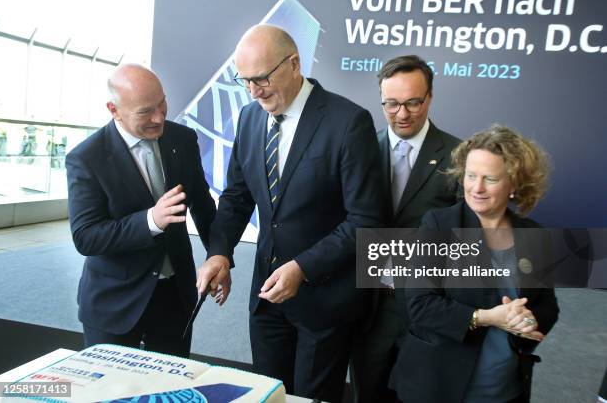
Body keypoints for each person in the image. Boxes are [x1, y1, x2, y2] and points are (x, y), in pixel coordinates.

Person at [196, 24, 384, 402]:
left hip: (325, 301)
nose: (254, 90)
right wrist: (219, 252)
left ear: (294, 64)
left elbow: (366, 221)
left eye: (262, 78)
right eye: (245, 80)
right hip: (266, 298)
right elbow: (236, 196)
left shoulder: (348, 122)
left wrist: (303, 268)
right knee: (267, 393)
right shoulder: (250, 118)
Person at [389, 124, 559, 402]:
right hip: (438, 387)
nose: (476, 188)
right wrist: (488, 317)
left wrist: (525, 319)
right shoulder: (439, 224)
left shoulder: (534, 235)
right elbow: (419, 304)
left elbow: (548, 306)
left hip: (505, 389)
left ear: (513, 183)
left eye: (490, 179)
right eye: (470, 176)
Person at [66, 63, 216, 357]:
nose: (159, 117)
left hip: (175, 297)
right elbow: (86, 237)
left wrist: (218, 256)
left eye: (162, 103)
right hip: (114, 304)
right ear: (114, 109)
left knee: (171, 391)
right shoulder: (86, 158)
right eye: (146, 111)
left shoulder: (182, 140)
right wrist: (151, 221)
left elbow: (201, 202)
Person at [350, 55, 460, 403]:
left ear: (429, 97)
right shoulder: (359, 150)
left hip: (426, 310)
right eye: (392, 104)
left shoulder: (459, 157)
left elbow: (467, 240)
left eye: (413, 102)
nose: (402, 113)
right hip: (367, 307)